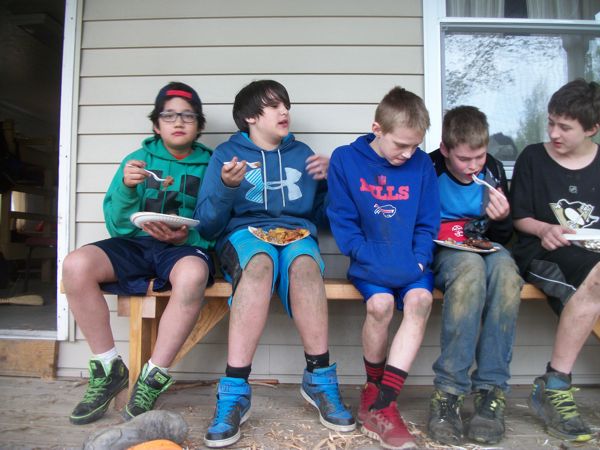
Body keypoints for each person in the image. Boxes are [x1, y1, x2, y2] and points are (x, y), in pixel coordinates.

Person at [195, 79, 355, 448]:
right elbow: (207, 225)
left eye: (286, 105)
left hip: (296, 234)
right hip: (244, 236)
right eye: (274, 106)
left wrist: (333, 183)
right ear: (251, 117)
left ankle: (319, 379)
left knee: (306, 266)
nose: (284, 111)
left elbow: (324, 218)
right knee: (260, 263)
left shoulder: (303, 153)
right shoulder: (227, 155)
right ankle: (234, 391)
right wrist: (226, 186)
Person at [62, 82, 215, 424]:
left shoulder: (211, 165)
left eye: (188, 116)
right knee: (76, 265)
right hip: (136, 243)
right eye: (169, 115)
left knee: (193, 275)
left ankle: (153, 376)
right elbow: (117, 225)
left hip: (185, 247)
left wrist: (188, 236)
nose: (179, 121)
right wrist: (127, 188)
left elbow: (217, 221)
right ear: (156, 124)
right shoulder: (137, 161)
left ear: (199, 125)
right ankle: (108, 368)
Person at [327, 86, 440, 449]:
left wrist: (419, 259)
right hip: (369, 261)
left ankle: (383, 405)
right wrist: (366, 256)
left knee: (421, 301)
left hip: (410, 261)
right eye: (401, 145)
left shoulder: (421, 165)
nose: (408, 154)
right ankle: (372, 388)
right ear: (377, 128)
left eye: (415, 146)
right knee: (381, 305)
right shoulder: (346, 160)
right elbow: (343, 222)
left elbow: (428, 222)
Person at [427, 106, 523, 445]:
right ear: (445, 149)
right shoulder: (429, 168)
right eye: (464, 159)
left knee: (507, 274)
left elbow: (501, 237)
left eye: (479, 157)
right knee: (470, 271)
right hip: (444, 251)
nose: (474, 167)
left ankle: (490, 392)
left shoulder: (493, 170)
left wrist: (502, 218)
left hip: (484, 246)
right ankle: (449, 393)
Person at [511, 78, 600, 443]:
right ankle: (556, 384)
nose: (553, 133)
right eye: (550, 122)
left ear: (592, 128)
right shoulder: (533, 157)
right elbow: (519, 217)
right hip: (543, 250)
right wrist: (544, 228)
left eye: (564, 127)